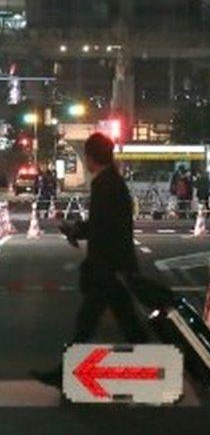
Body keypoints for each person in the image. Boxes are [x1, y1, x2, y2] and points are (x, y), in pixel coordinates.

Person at [31, 133, 148, 387]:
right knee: (123, 323)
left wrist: (76, 231)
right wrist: (76, 230)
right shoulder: (113, 182)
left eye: (87, 155)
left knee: (90, 321)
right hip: (114, 266)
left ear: (92, 157)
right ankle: (159, 366)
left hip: (108, 267)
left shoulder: (104, 184)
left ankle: (64, 374)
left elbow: (101, 226)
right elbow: (105, 224)